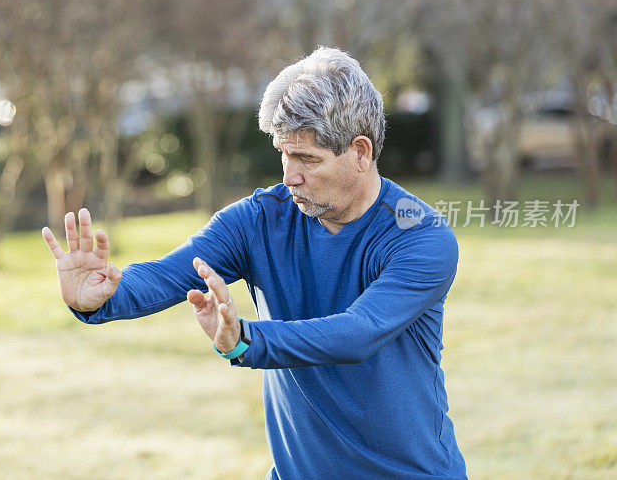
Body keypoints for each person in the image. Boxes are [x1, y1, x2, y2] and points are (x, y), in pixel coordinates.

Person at [41, 47, 467, 479]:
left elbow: (357, 334)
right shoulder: (261, 219)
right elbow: (171, 273)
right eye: (285, 153)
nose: (289, 176)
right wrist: (102, 295)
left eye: (307, 159)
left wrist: (245, 340)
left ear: (360, 152)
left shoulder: (420, 237)